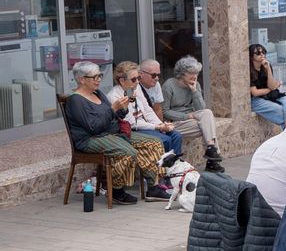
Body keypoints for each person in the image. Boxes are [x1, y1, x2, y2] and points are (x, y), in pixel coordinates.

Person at [63, 61, 166, 204]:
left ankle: (154, 188)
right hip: (91, 139)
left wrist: (122, 108)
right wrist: (113, 109)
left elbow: (115, 117)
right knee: (127, 152)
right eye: (95, 77)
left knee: (153, 143)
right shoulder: (75, 100)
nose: (99, 80)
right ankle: (117, 190)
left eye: (99, 76)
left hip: (111, 133)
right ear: (82, 79)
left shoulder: (98, 94)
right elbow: (93, 127)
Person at [110, 61, 183, 161]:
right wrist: (157, 127)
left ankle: (175, 169)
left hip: (144, 125)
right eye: (133, 79)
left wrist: (161, 125)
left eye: (138, 78)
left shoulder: (135, 87)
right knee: (165, 140)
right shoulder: (115, 96)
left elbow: (147, 110)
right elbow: (132, 123)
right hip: (131, 130)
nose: (137, 82)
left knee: (176, 135)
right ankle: (162, 172)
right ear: (122, 81)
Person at [161, 56, 223, 173]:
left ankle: (211, 148)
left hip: (192, 120)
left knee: (208, 114)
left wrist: (194, 91)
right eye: (191, 73)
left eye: (196, 73)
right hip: (174, 123)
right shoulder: (169, 85)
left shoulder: (196, 85)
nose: (194, 76)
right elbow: (165, 111)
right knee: (208, 127)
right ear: (182, 74)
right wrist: (186, 116)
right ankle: (213, 161)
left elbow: (201, 108)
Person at [249, 44, 286, 130]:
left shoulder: (267, 66)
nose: (262, 55)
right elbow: (255, 92)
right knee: (279, 110)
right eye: (258, 53)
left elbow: (272, 85)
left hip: (271, 95)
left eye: (263, 52)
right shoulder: (249, 70)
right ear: (251, 56)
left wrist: (268, 69)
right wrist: (271, 88)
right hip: (256, 100)